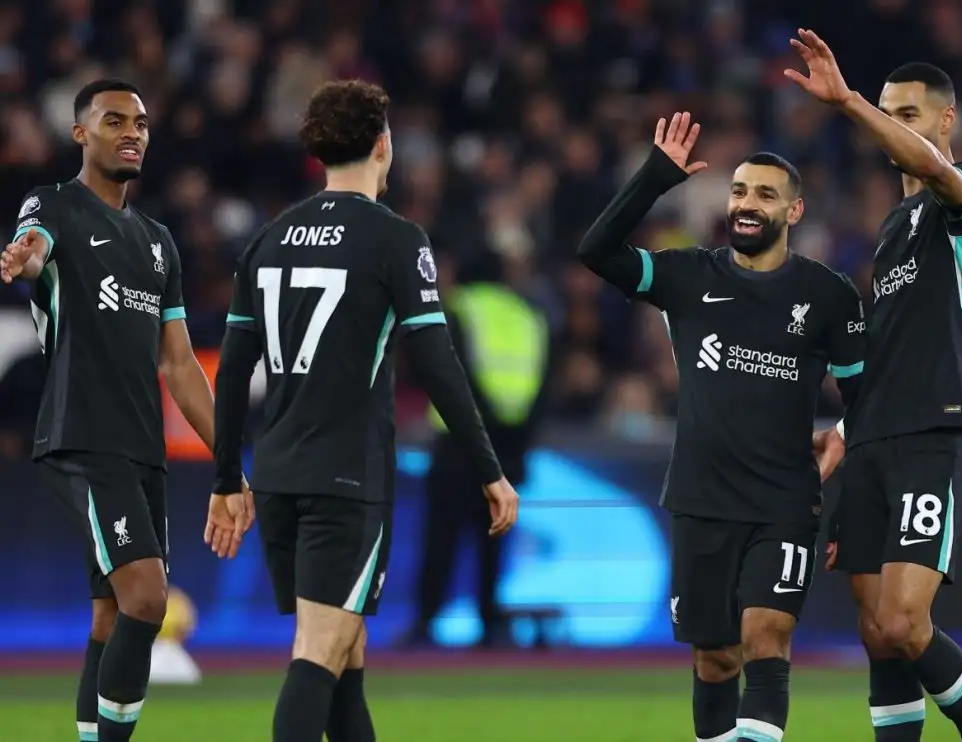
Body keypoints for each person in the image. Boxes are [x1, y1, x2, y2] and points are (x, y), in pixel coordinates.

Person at [208, 80, 520, 742]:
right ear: (385, 145)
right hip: (345, 478)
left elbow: (235, 371)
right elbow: (438, 364)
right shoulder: (396, 239)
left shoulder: (268, 239)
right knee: (320, 652)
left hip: (279, 471)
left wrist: (225, 477)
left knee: (347, 657)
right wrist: (489, 469)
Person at [579, 112, 867, 742]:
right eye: (739, 191)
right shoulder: (688, 277)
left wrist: (842, 451)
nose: (746, 204)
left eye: (765, 194)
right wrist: (656, 177)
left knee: (766, 637)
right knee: (714, 657)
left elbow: (865, 398)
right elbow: (594, 251)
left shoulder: (830, 296)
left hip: (785, 501)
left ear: (794, 212)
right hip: (701, 499)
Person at [786, 31, 962, 742]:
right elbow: (888, 354)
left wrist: (848, 100)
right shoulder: (890, 229)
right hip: (875, 440)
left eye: (907, 114)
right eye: (888, 111)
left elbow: (933, 169)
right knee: (876, 631)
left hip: (935, 432)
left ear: (944, 122)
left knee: (904, 619)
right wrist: (845, 438)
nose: (894, 125)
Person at [0, 78, 243, 742]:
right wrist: (28, 257)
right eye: (114, 121)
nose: (132, 132)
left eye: (140, 124)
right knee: (148, 599)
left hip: (141, 449)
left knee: (110, 618)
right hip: (82, 436)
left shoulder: (158, 241)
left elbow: (180, 365)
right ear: (82, 133)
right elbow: (36, 244)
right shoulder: (53, 204)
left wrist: (230, 467)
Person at [409, 251, 551, 649]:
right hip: (510, 444)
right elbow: (543, 383)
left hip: (458, 443)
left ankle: (426, 622)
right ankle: (490, 624)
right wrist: (517, 437)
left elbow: (452, 375)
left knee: (442, 538)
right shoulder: (530, 315)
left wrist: (481, 425)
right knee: (494, 537)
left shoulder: (458, 308)